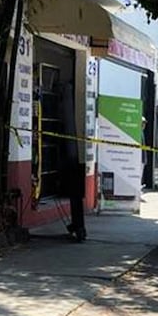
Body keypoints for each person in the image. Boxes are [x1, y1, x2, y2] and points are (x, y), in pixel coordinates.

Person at [58, 79, 87, 242]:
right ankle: (78, 226)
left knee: (76, 196)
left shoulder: (72, 111)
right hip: (75, 159)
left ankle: (79, 227)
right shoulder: (73, 110)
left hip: (75, 160)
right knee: (76, 197)